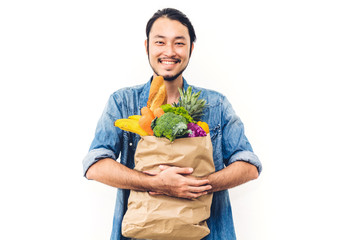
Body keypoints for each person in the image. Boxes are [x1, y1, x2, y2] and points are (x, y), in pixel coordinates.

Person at [83, 8, 262, 240]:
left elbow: (248, 166)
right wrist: (156, 183)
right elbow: (95, 165)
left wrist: (195, 185)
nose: (169, 51)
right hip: (140, 233)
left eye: (179, 43)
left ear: (191, 49)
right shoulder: (122, 101)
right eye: (160, 42)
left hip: (209, 233)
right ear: (147, 46)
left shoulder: (215, 104)